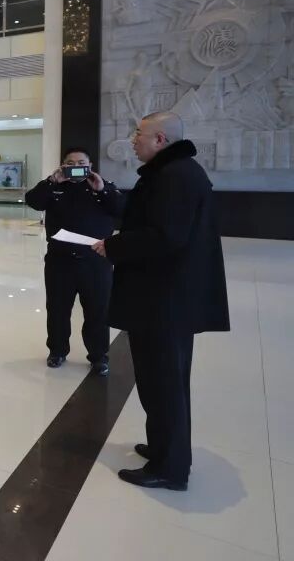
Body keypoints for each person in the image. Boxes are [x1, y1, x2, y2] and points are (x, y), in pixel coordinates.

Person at [93, 112, 230, 491]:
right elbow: (145, 218)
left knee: (164, 384)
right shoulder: (171, 173)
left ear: (160, 139)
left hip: (164, 302)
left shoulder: (176, 177)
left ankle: (170, 468)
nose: (133, 140)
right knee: (159, 382)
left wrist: (114, 246)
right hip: (163, 300)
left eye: (139, 133)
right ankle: (163, 448)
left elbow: (164, 235)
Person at [24, 147, 123, 376]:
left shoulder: (102, 186)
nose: (76, 167)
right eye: (70, 163)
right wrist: (51, 181)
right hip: (60, 261)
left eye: (81, 163)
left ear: (90, 166)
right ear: (63, 166)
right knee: (57, 310)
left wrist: (102, 189)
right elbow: (33, 200)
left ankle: (99, 356)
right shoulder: (54, 187)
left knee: (97, 312)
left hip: (96, 262)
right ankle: (57, 351)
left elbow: (121, 208)